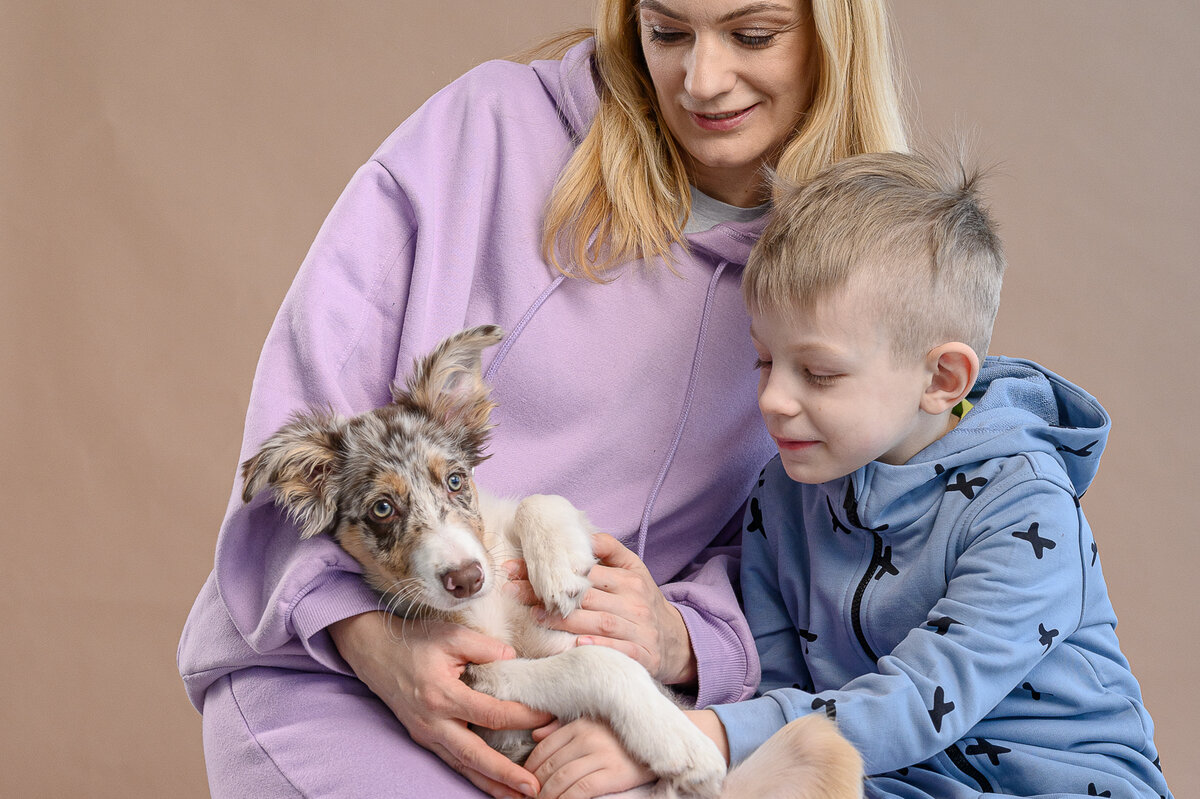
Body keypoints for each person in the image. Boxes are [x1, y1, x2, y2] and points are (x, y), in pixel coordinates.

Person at [178, 1, 908, 797]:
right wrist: (371, 640)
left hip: (589, 709)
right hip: (336, 672)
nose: (700, 80)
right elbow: (302, 420)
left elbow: (810, 547)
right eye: (666, 32)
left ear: (834, 33)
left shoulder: (864, 267)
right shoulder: (485, 132)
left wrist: (682, 641)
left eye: (752, 35)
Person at [679, 150, 1166, 798]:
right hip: (891, 778)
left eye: (819, 372)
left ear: (942, 379)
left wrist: (704, 734)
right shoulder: (781, 493)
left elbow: (920, 700)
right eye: (765, 361)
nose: (773, 399)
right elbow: (780, 692)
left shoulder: (1026, 509)